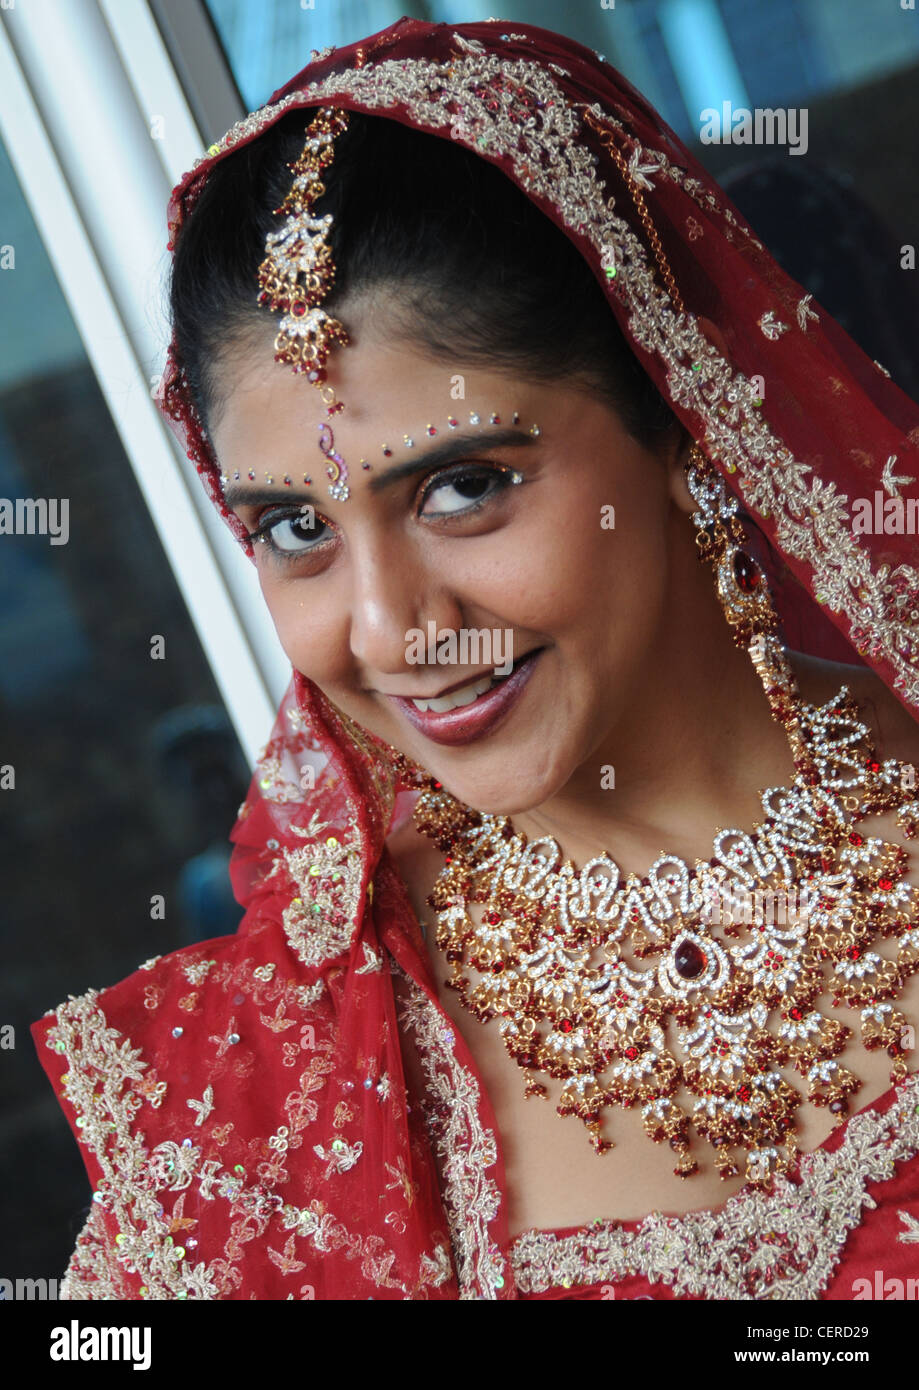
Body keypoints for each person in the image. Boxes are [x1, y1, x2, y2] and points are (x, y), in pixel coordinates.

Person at [32, 16, 919, 1301]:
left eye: (462, 487)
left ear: (678, 416)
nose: (389, 629)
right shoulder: (256, 1106)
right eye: (294, 527)